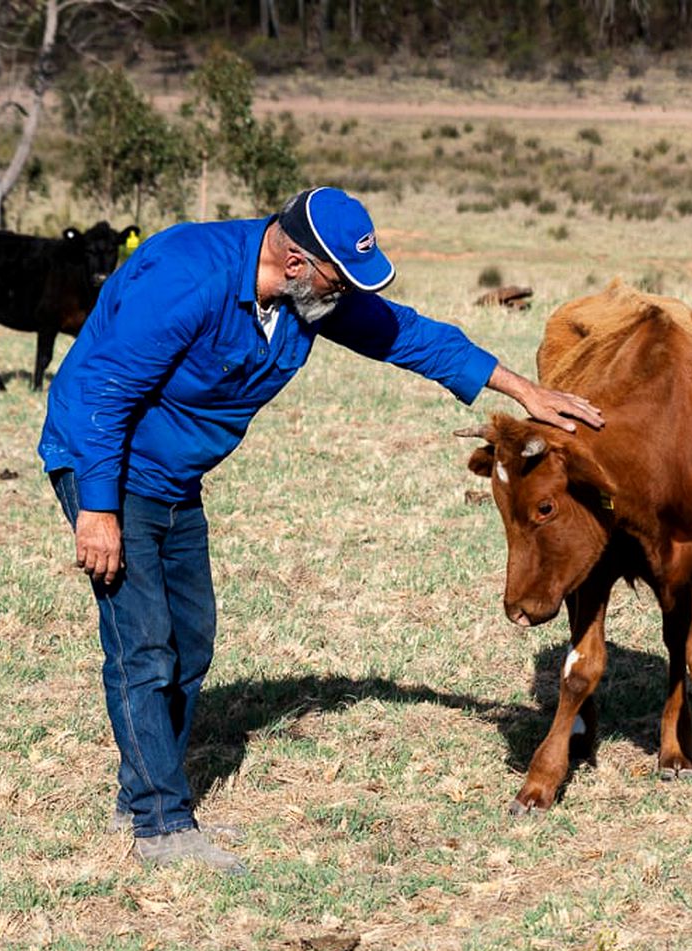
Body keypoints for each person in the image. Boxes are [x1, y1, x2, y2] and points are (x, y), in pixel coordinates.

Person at [37, 187, 603, 873]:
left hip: (172, 475)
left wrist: (522, 391)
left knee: (190, 639)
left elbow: (406, 334)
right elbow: (101, 389)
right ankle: (160, 825)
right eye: (342, 279)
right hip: (109, 464)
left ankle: (145, 792)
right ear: (296, 260)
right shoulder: (187, 276)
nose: (348, 295)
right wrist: (96, 511)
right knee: (143, 647)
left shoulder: (305, 299)